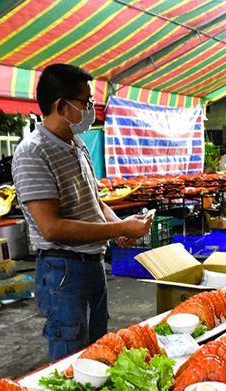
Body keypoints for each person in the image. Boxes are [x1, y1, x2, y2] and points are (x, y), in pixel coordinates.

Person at [12, 64, 153, 362]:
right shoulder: (32, 153)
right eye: (86, 103)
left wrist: (119, 226)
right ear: (61, 105)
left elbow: (93, 201)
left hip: (91, 263)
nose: (91, 110)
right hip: (62, 271)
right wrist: (120, 229)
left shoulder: (77, 145)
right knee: (72, 359)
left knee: (98, 353)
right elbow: (51, 228)